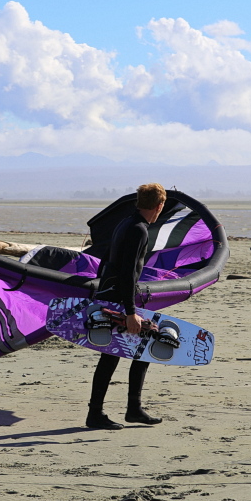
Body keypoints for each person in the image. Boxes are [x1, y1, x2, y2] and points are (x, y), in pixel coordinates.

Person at [86, 183, 167, 430]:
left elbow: (110, 262)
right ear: (159, 206)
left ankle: (129, 409)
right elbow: (128, 273)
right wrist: (131, 313)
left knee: (125, 351)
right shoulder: (139, 230)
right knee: (142, 342)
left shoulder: (126, 222)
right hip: (118, 300)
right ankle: (102, 413)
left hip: (112, 295)